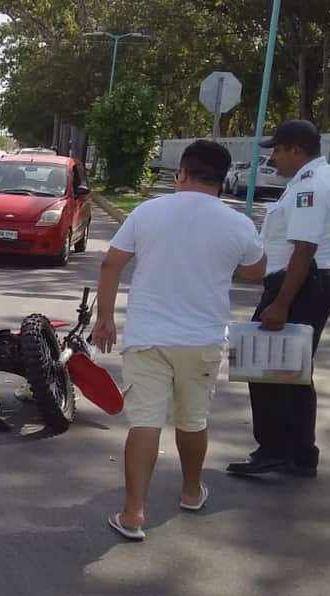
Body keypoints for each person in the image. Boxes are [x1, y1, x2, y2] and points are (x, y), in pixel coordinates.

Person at [92, 140, 267, 541]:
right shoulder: (237, 223)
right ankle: (191, 491)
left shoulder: (148, 211)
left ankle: (133, 513)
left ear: (181, 174)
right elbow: (257, 271)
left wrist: (104, 318)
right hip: (203, 339)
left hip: (148, 337)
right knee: (192, 420)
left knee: (145, 423)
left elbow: (111, 263)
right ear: (222, 183)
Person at [226, 120, 330, 479]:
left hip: (298, 285)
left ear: (297, 150)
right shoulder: (323, 178)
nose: (273, 158)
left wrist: (280, 302)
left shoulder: (310, 187)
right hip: (311, 283)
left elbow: (304, 249)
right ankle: (300, 452)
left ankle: (274, 449)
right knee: (294, 373)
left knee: (263, 365)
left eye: (277, 150)